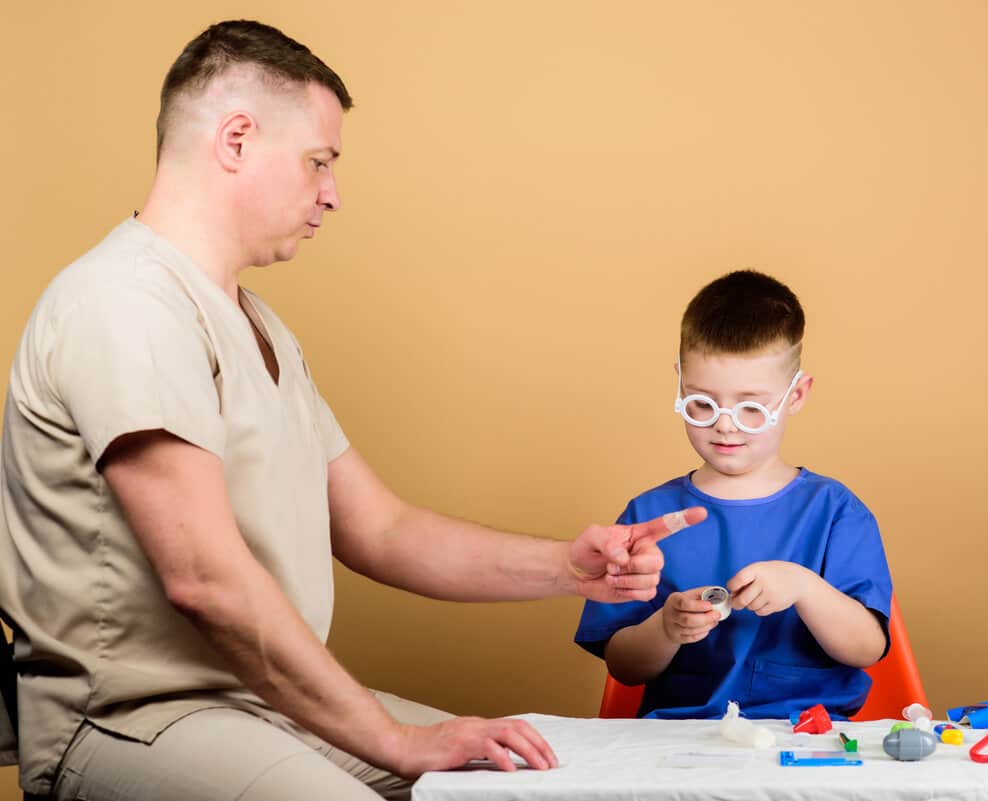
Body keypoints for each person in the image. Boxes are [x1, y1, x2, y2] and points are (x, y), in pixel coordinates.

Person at [0, 20, 705, 801]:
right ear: (235, 139)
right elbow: (204, 577)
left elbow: (382, 529)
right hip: (135, 719)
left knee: (521, 782)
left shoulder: (259, 326)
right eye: (318, 162)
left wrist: (570, 568)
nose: (331, 192)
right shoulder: (124, 302)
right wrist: (396, 741)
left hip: (264, 703)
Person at [574, 270, 891, 720]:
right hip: (680, 739)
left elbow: (865, 648)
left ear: (796, 395)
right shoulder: (650, 515)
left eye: (751, 408)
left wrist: (804, 587)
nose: (725, 425)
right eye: (702, 404)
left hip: (807, 738)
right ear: (679, 385)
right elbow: (625, 667)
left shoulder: (835, 512)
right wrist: (665, 627)